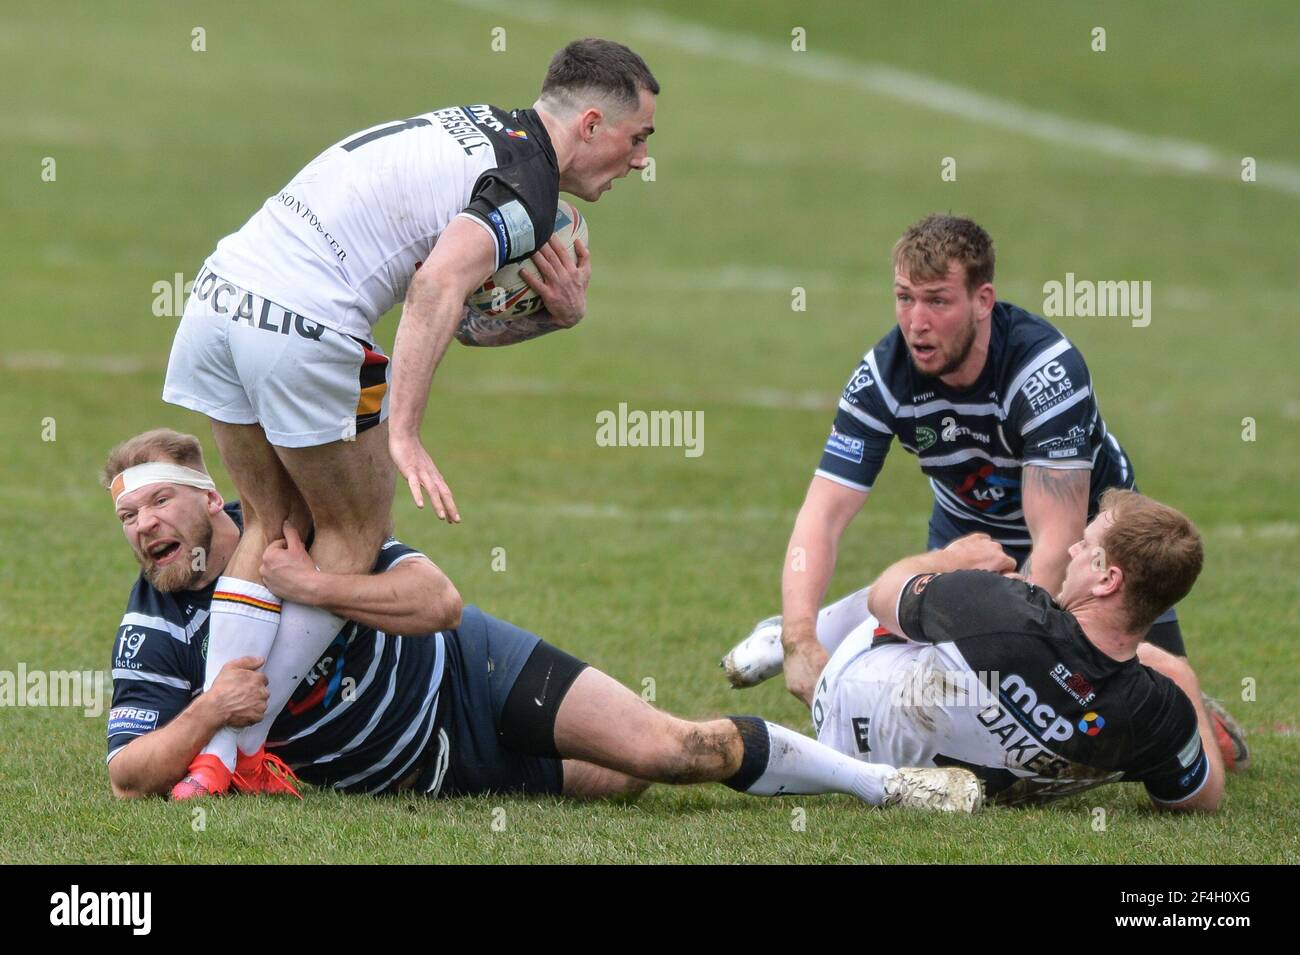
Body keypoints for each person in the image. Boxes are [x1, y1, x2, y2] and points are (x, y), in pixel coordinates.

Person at [158, 39, 660, 796]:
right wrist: (404, 431)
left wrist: (549, 318)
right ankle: (234, 754)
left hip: (221, 295)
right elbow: (433, 287)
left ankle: (215, 757)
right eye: (638, 139)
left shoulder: (489, 128)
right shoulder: (528, 188)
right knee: (352, 532)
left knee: (268, 520)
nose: (642, 160)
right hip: (302, 321)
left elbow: (451, 312)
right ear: (591, 123)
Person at [103, 429, 984, 812]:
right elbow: (128, 774)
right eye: (126, 520)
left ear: (212, 497)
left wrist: (318, 586)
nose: (142, 529)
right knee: (625, 784)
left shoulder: (304, 534)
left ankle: (885, 784)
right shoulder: (153, 626)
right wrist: (212, 710)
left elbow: (437, 601)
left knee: (668, 753)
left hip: (472, 672)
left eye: (155, 506)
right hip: (440, 779)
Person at [724, 213, 1247, 770]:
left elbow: (1056, 536)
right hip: (966, 534)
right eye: (904, 298)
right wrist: (804, 642)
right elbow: (823, 514)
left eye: (937, 301)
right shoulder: (882, 376)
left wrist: (1024, 647)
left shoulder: (1045, 371)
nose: (916, 322)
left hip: (1095, 551)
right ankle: (801, 628)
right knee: (968, 703)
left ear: (983, 300)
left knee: (1167, 739)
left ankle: (1176, 699)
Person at [805, 491, 1224, 811]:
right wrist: (1182, 678)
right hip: (942, 778)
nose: (1073, 550)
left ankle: (791, 636)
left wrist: (951, 559)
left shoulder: (1004, 606)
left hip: (839, 711)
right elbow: (1201, 800)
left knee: (917, 598)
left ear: (1107, 580)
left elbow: (884, 596)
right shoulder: (1160, 712)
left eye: (1085, 545)